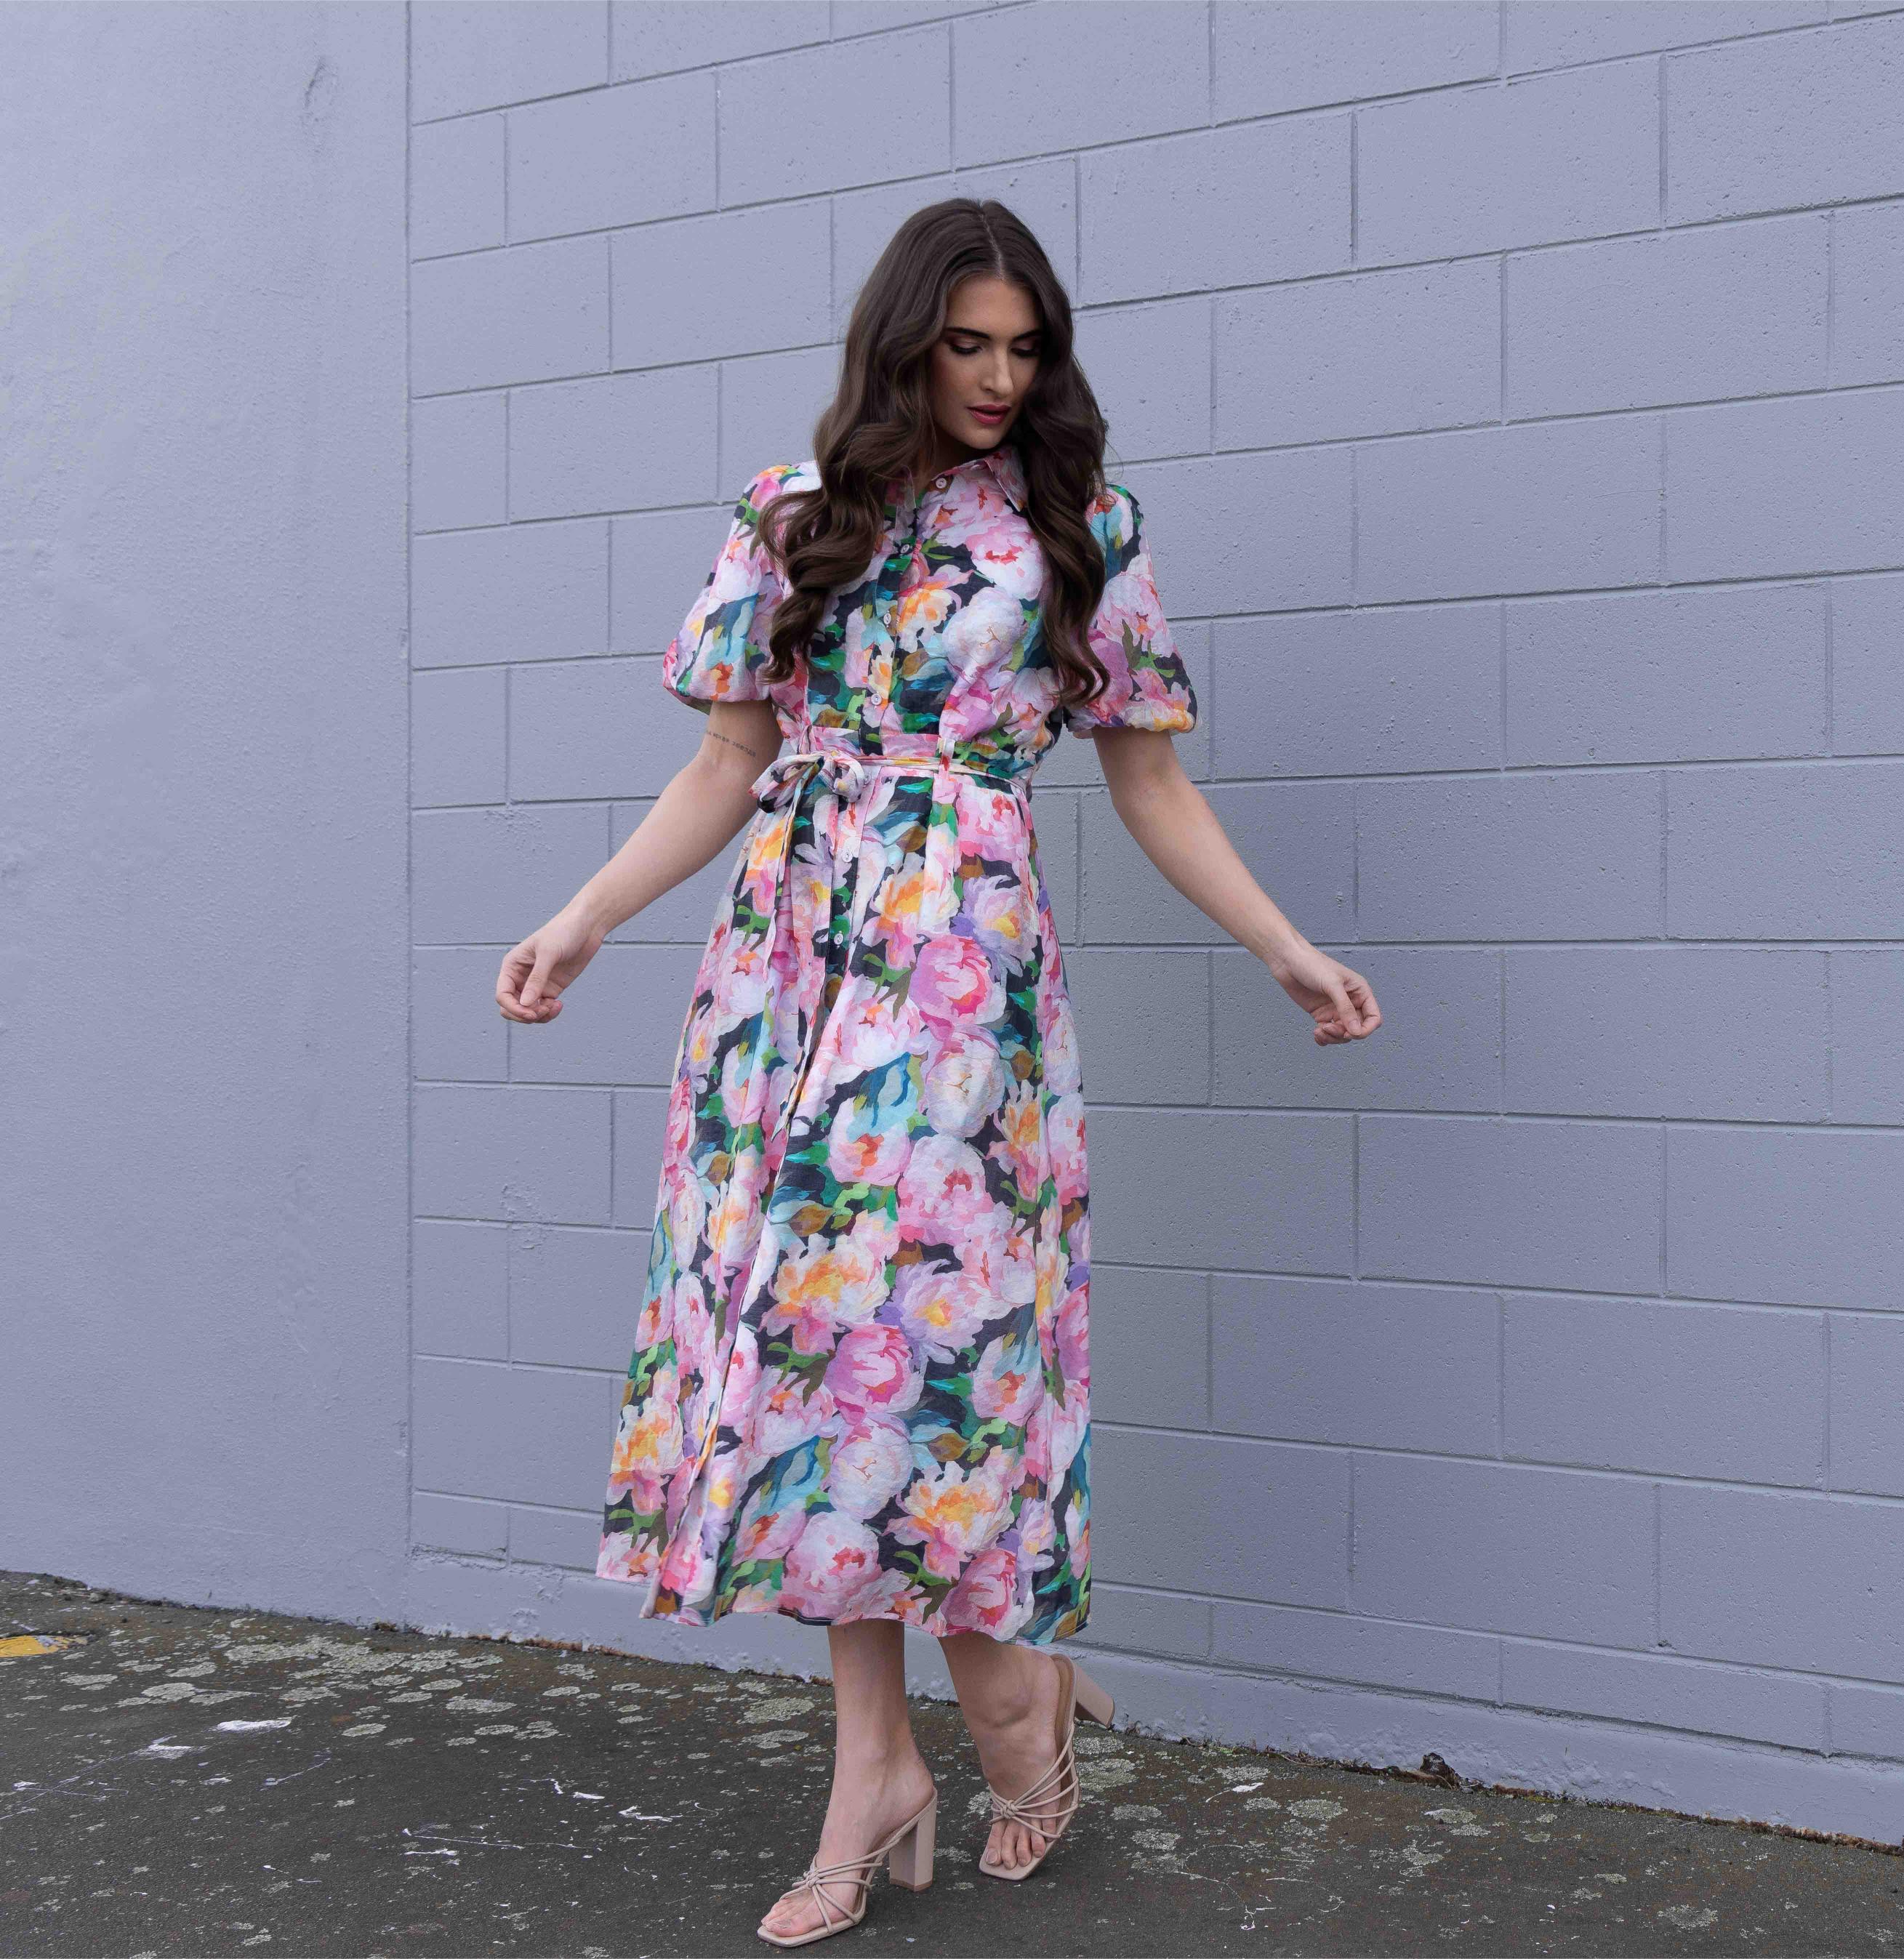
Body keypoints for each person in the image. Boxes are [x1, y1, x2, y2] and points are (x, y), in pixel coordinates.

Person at [492, 197, 1381, 1948]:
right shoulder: (792, 514)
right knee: (819, 1333)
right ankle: (893, 1753)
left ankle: (997, 1715)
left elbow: (1149, 779)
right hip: (786, 966)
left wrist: (1281, 943)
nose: (997, 377)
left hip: (961, 975)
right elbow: (728, 761)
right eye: (966, 344)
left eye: (1024, 349)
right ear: (901, 342)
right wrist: (582, 916)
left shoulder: (1080, 527)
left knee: (924, 1331)